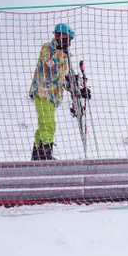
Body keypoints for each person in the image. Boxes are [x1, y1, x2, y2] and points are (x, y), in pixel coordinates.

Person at [29, 23, 90, 161]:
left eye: (70, 40)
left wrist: (79, 89)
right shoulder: (47, 48)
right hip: (43, 92)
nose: (68, 42)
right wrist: (62, 53)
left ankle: (37, 154)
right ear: (58, 36)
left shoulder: (64, 55)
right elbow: (51, 65)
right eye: (67, 39)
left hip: (53, 95)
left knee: (43, 125)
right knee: (48, 124)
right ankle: (45, 153)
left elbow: (63, 78)